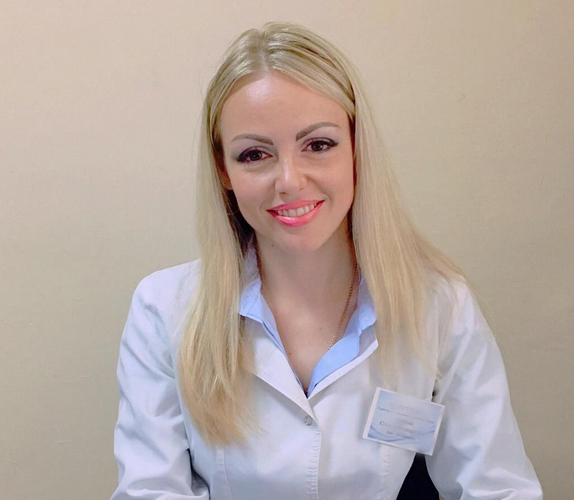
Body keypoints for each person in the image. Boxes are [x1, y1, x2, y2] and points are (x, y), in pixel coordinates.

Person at [111, 22, 542, 500]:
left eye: (318, 145)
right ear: (223, 170)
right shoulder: (163, 310)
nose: (290, 181)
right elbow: (151, 490)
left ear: (356, 148)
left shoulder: (440, 305)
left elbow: (496, 487)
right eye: (254, 154)